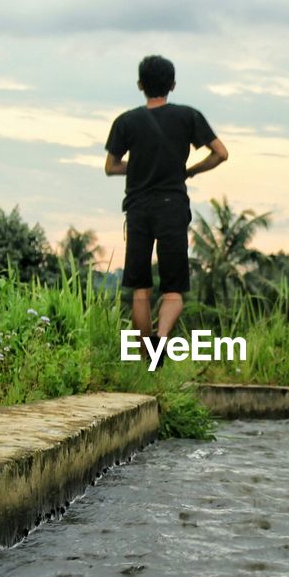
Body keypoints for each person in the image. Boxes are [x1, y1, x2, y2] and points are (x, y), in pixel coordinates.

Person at [105, 55, 228, 366]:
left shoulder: (126, 122)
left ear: (140, 85)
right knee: (173, 290)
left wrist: (137, 168)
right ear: (172, 85)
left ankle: (149, 356)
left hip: (138, 208)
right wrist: (191, 171)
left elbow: (111, 166)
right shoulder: (188, 116)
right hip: (172, 206)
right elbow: (221, 154)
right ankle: (161, 340)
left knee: (141, 288)